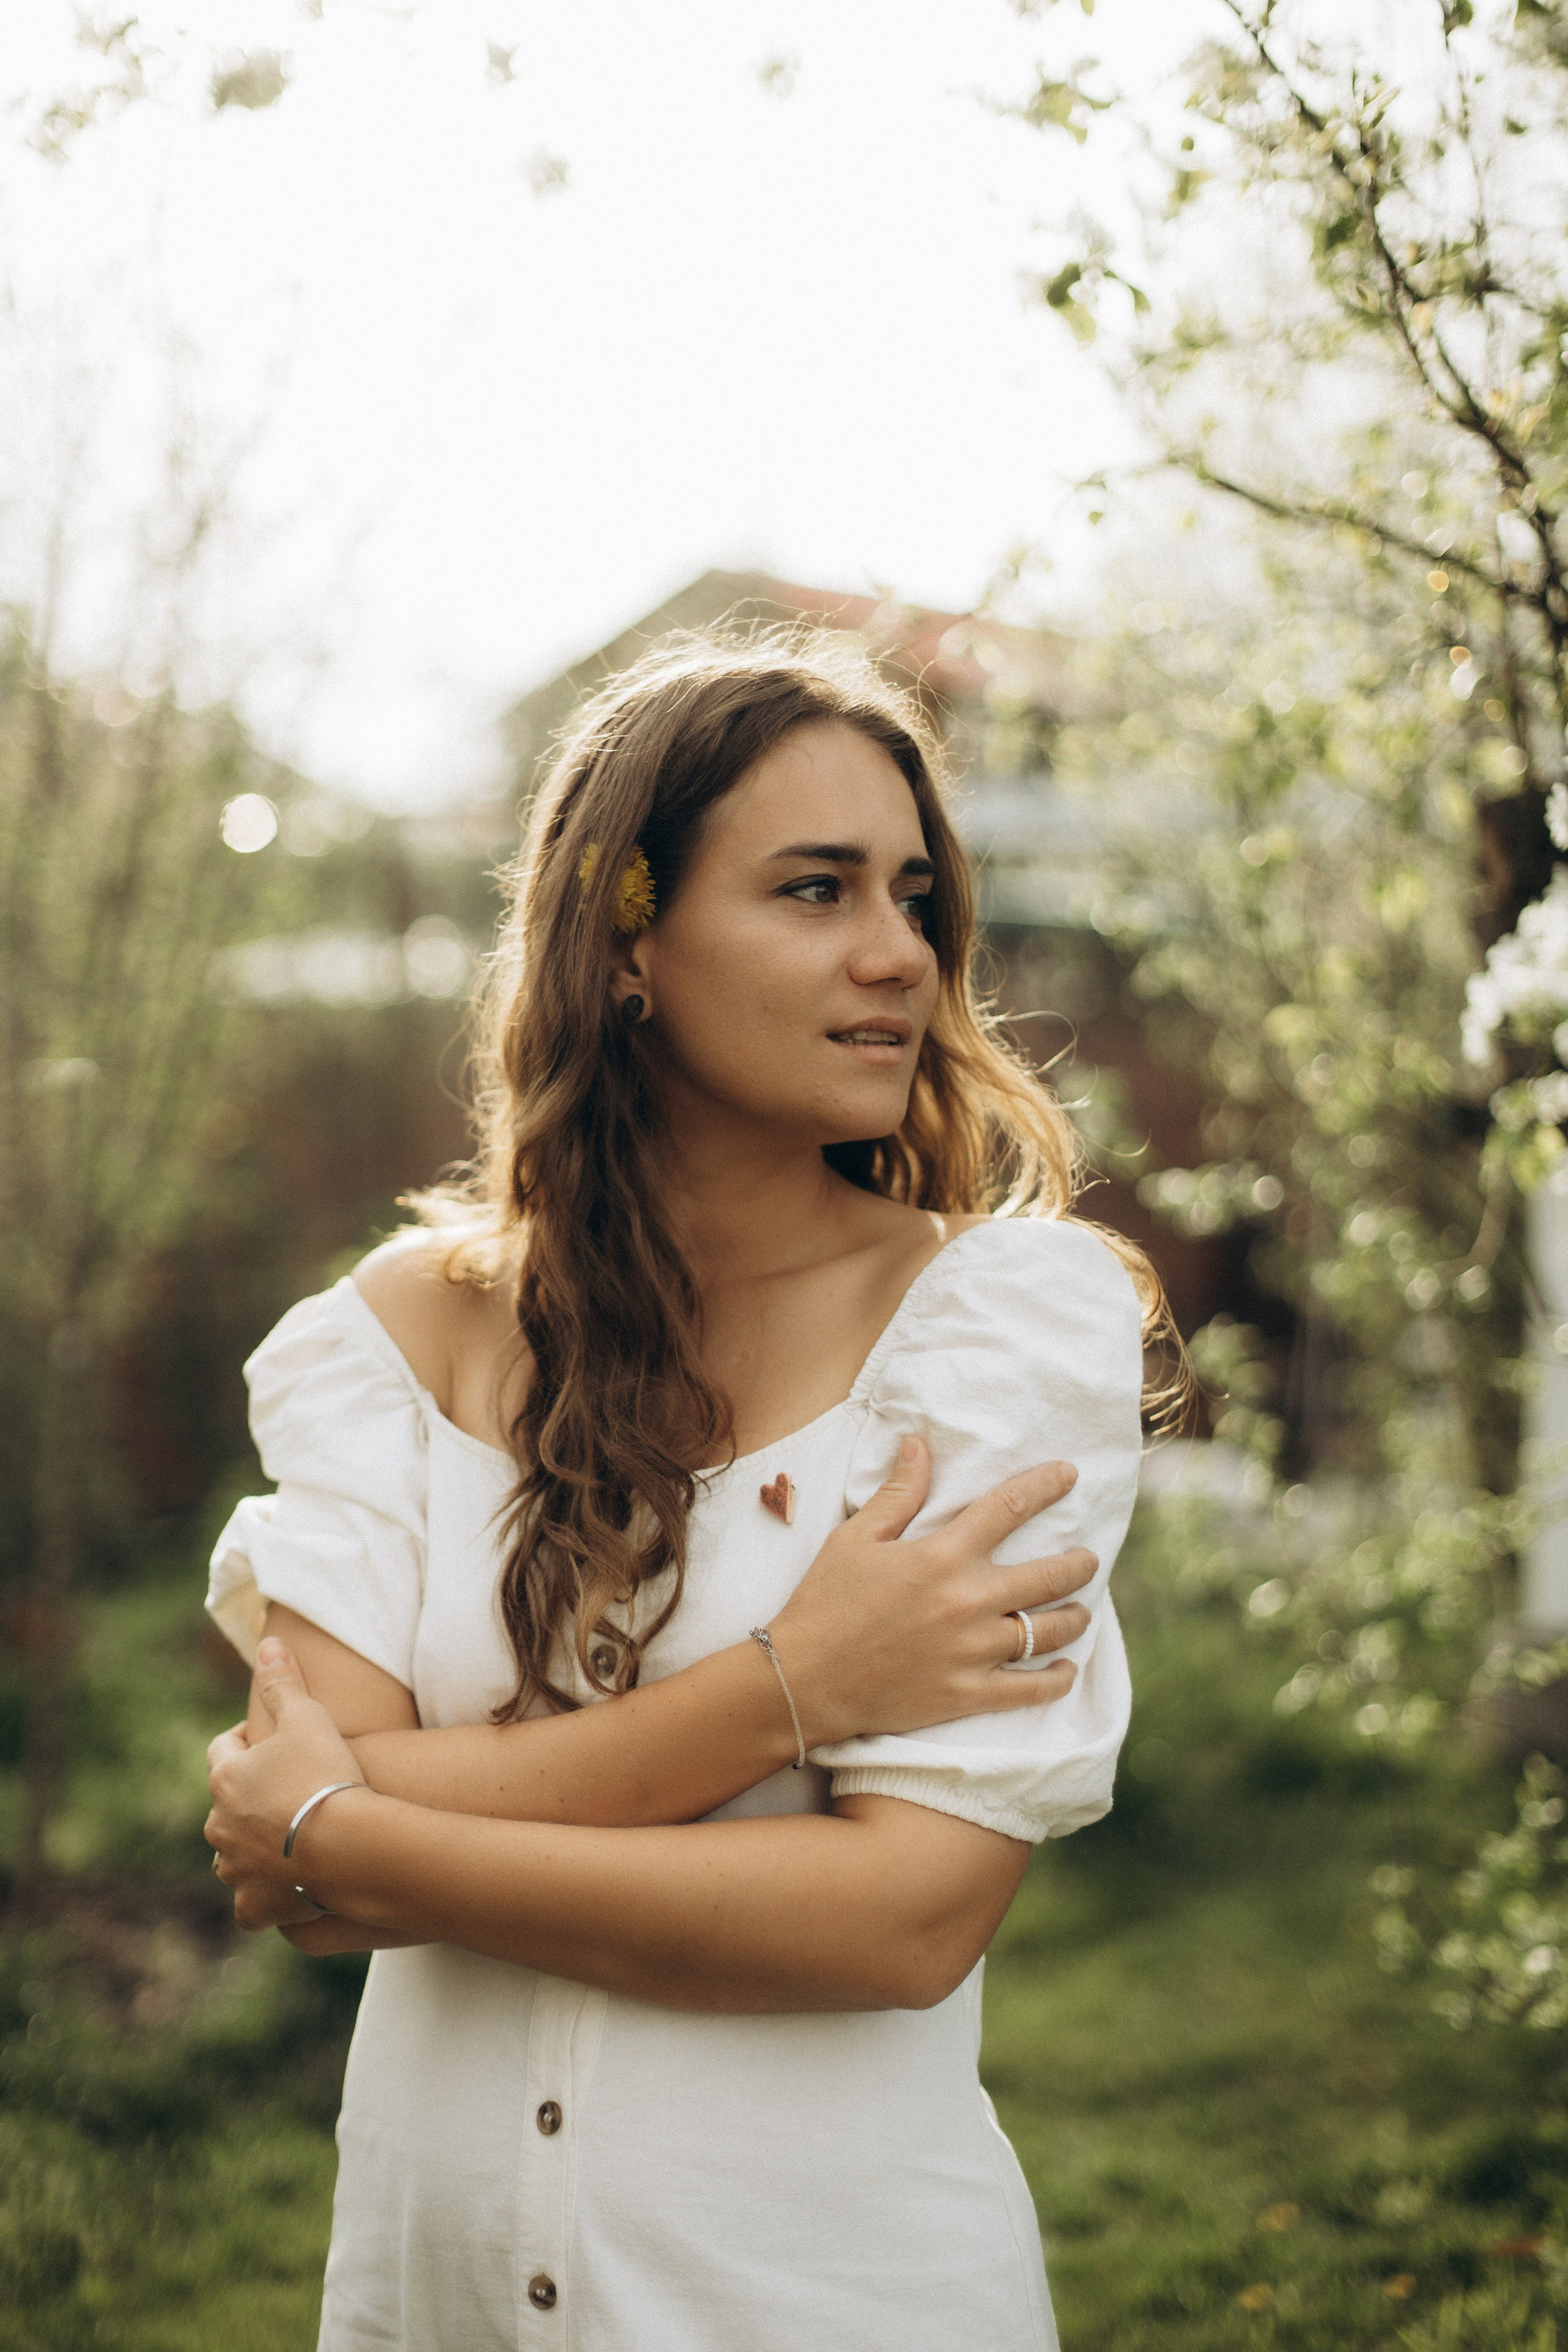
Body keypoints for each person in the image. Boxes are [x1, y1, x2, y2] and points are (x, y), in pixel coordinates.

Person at [203, 627, 1180, 2352]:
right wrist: (792, 1693)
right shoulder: (392, 1342)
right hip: (429, 2307)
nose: (900, 956)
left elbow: (902, 1918)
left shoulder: (996, 1333)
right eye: (815, 892)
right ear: (626, 937)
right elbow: (294, 1878)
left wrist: (371, 1826)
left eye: (915, 897)